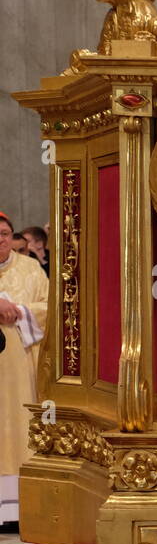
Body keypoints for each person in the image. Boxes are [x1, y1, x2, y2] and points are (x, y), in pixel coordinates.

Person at [0, 211, 48, 524]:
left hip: (18, 366)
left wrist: (19, 310)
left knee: (16, 426)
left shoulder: (30, 268)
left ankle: (15, 508)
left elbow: (51, 305)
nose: (0, 240)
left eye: (4, 233)